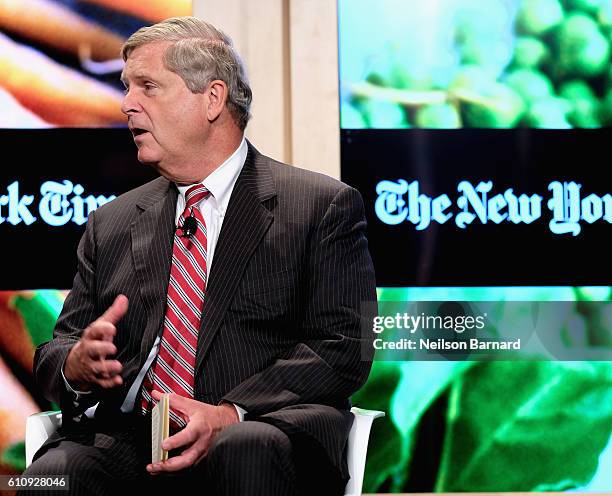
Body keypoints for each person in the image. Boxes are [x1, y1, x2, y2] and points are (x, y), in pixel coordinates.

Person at [21, 16, 376, 496]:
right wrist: (77, 366)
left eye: (147, 86)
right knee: (54, 474)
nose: (126, 104)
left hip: (263, 429)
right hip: (135, 438)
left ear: (212, 99)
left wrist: (229, 413)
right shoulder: (115, 222)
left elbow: (340, 347)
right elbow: (57, 352)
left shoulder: (318, 206)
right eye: (126, 87)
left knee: (243, 448)